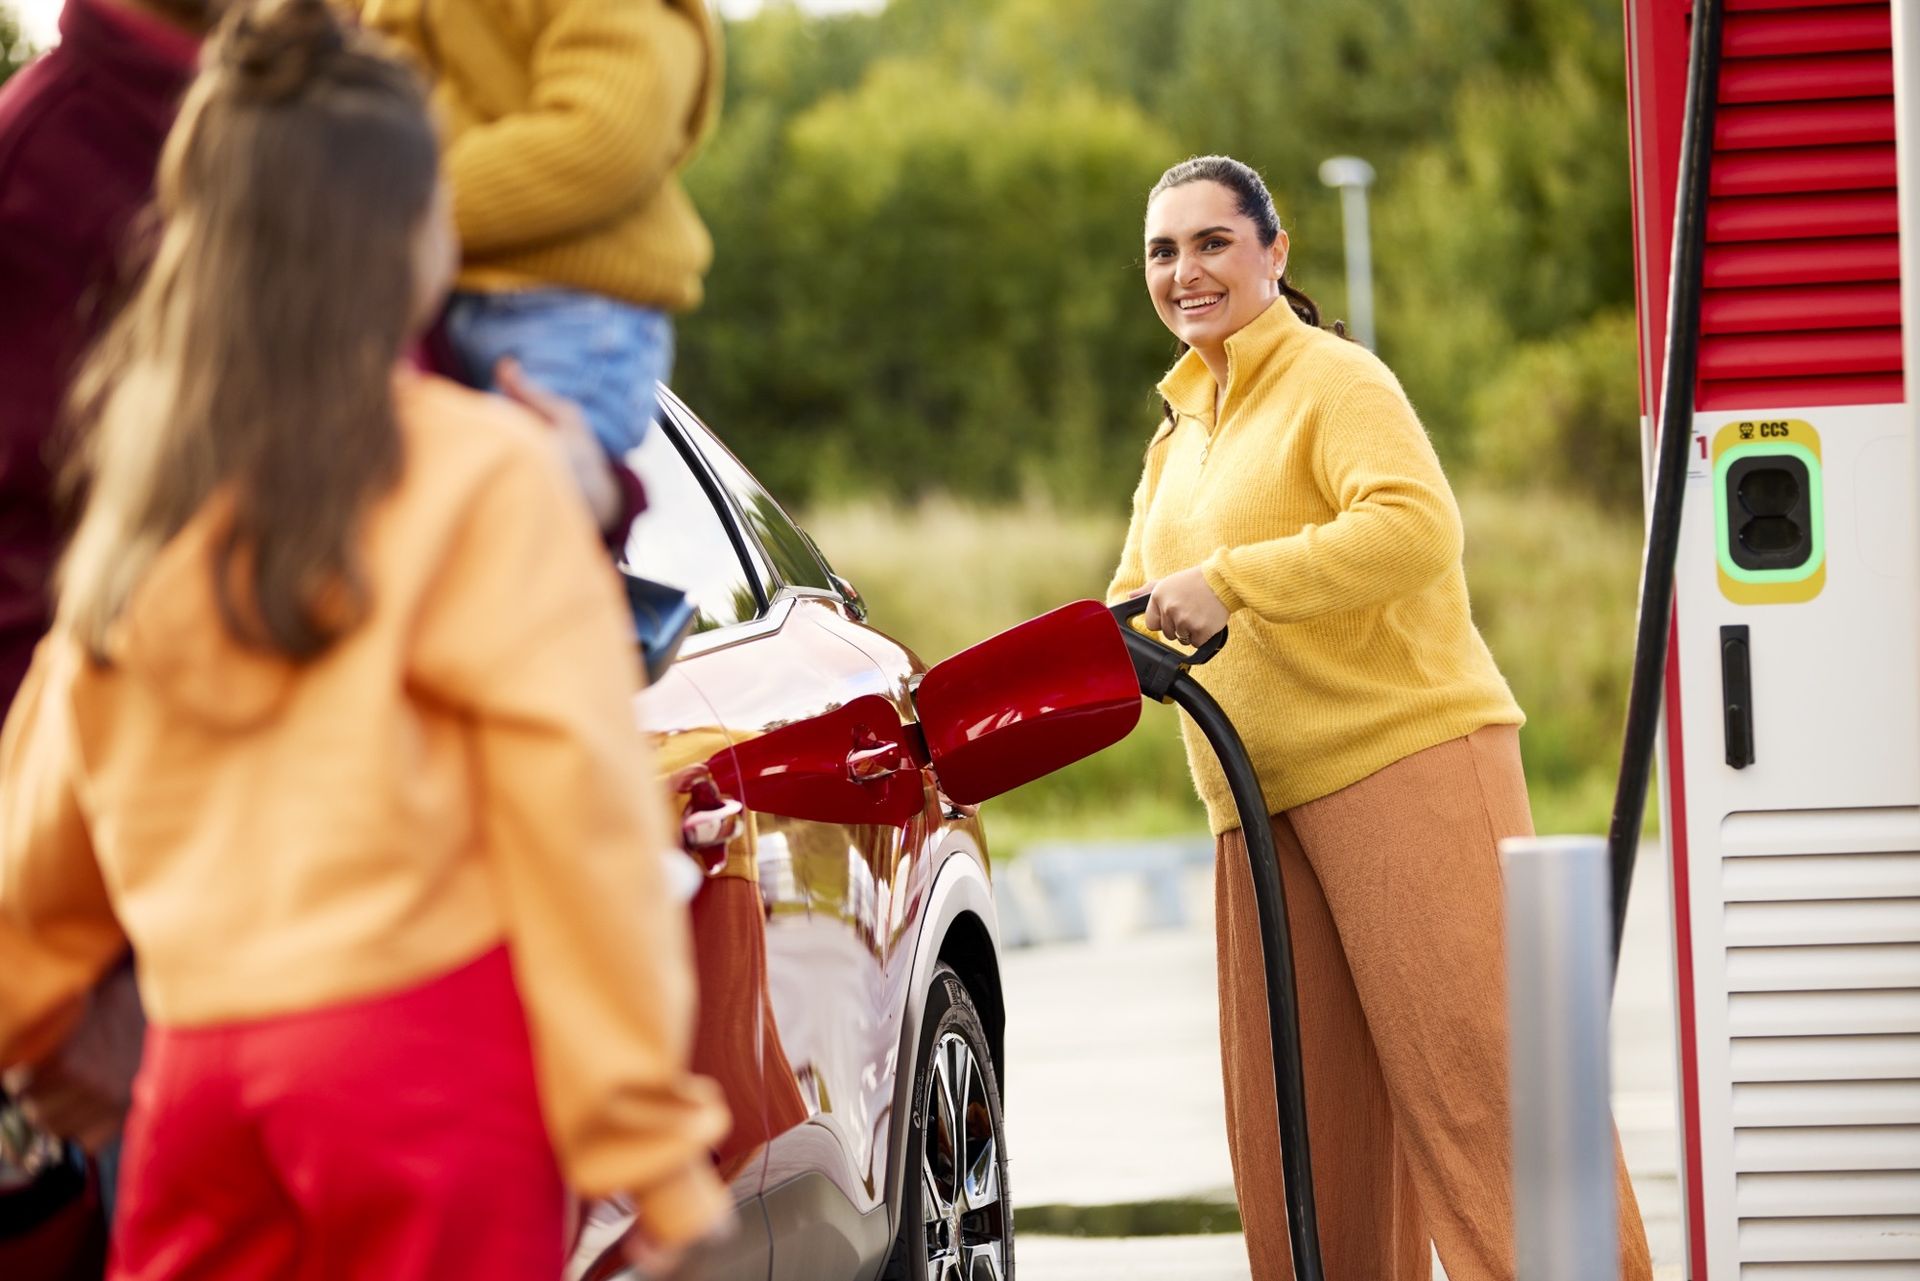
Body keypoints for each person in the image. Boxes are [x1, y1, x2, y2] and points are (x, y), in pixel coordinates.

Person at [0, 2, 730, 1277]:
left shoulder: (149, 508)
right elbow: (581, 821)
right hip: (431, 1075)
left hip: (199, 1075)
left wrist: (39, 1015)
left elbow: (46, 792)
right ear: (414, 243)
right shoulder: (484, 478)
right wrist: (647, 1143)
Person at [1107, 154, 1652, 1280]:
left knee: (1485, 1096)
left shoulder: (1335, 380)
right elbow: (1128, 605)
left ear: (1276, 252)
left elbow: (1414, 527)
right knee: (1304, 1139)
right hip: (1256, 804)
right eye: (1165, 249)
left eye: (1214, 241)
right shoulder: (1175, 433)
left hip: (1400, 757)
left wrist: (1236, 579)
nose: (1187, 269)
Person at [351, 0, 723, 457]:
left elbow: (606, 137)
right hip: (431, 296)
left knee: (501, 494)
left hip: (569, 312)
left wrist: (399, 209)